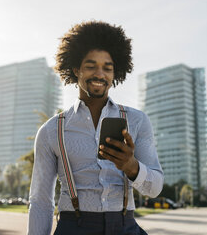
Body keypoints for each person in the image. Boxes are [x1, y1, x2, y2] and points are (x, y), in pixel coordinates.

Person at [27, 21, 164, 235]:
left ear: (114, 73)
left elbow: (154, 189)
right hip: (74, 227)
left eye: (107, 68)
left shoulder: (138, 121)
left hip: (125, 226)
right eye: (91, 66)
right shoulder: (51, 131)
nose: (100, 74)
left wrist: (131, 166)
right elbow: (40, 201)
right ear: (76, 69)